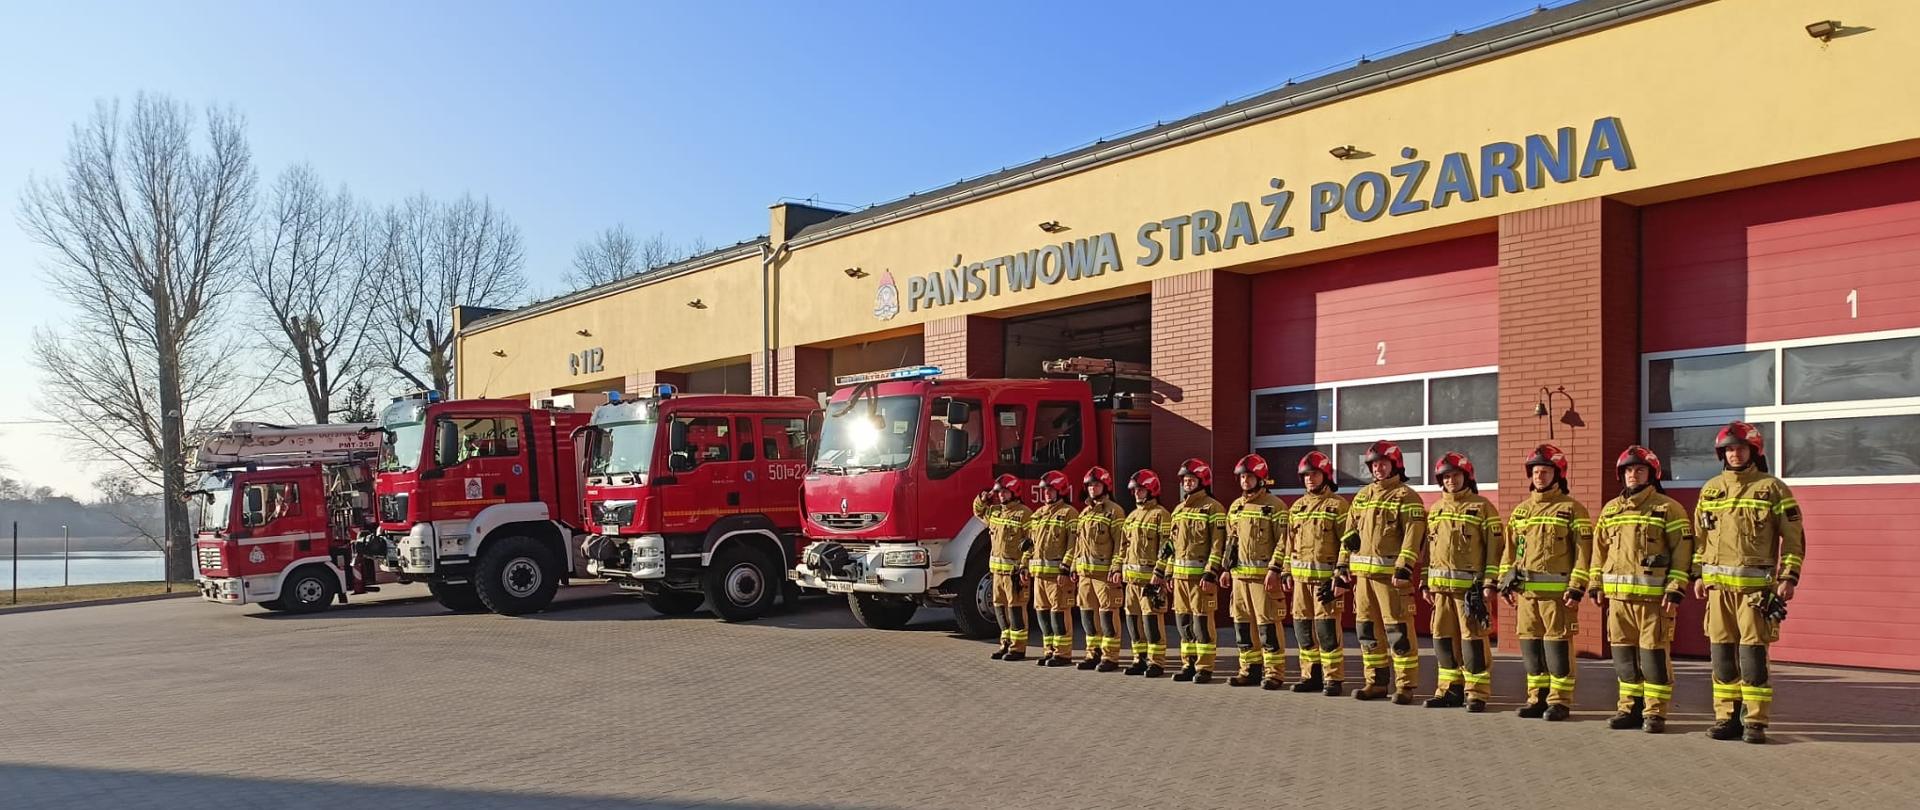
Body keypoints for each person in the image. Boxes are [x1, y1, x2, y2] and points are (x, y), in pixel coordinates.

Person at [1693, 421, 1803, 744]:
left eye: (1740, 449)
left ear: (1754, 451)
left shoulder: (1772, 489)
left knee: (1752, 656)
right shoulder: (1710, 490)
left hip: (1755, 593)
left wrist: (1789, 577)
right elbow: (1700, 540)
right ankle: (1726, 717)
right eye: (1729, 449)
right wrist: (1698, 574)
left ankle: (1754, 721)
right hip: (1717, 593)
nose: (1735, 454)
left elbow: (1793, 538)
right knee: (1722, 655)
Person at [1590, 445, 1693, 734]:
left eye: (1639, 470)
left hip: (1653, 601)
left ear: (1652, 473)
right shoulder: (1611, 510)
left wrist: (1675, 589)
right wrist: (1596, 583)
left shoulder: (1668, 508)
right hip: (1618, 601)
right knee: (1623, 657)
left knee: (1654, 657)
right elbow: (1599, 553)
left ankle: (1655, 713)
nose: (1633, 475)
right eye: (1628, 470)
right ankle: (1629, 708)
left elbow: (1682, 553)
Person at [1499, 444, 1593, 721]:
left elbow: (1583, 554)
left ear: (1558, 474)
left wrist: (1577, 587)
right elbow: (1510, 551)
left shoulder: (1573, 510)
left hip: (1558, 597)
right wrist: (1506, 582)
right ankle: (1536, 698)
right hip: (1527, 596)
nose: (1539, 476)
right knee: (1531, 649)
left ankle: (1559, 701)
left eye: (1545, 471)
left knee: (1557, 649)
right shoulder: (1521, 512)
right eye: (1536, 471)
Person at [1341, 441, 1427, 704]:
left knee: (1398, 632)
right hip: (1363, 579)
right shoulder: (1362, 496)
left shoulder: (1406, 496)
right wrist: (1342, 565)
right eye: (1374, 464)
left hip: (1391, 579)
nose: (1378, 468)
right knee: (1367, 631)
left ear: (1395, 465)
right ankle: (1375, 682)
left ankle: (1405, 685)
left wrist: (1404, 568)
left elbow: (1413, 537)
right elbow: (1349, 533)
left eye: (1383, 463)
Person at [1420, 452, 1503, 712]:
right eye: (1446, 476)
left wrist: (1490, 582)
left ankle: (1476, 693)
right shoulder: (1435, 509)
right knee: (1442, 639)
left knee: (1473, 641)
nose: (1451, 480)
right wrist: (1424, 582)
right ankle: (1449, 690)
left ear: (1466, 477)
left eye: (1456, 475)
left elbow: (1495, 549)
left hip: (1470, 591)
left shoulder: (1483, 507)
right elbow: (1428, 550)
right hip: (1440, 590)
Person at [1266, 451, 1349, 695]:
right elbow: (1287, 543)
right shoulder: (1298, 507)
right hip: (1301, 583)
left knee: (1327, 631)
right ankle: (1310, 675)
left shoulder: (1338, 505)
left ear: (1325, 475)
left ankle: (1333, 679)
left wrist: (1340, 575)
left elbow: (1348, 542)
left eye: (1314, 474)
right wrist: (1283, 571)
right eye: (1305, 475)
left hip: (1326, 582)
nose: (1310, 479)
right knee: (1303, 630)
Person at [1224, 454, 1289, 688]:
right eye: (1242, 477)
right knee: (1242, 625)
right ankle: (1249, 670)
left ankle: (1273, 673)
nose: (1244, 481)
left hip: (1264, 579)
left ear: (1261, 479)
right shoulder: (1236, 506)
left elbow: (1284, 542)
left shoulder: (1275, 506)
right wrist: (1225, 569)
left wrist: (1275, 570)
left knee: (1267, 626)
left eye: (1249, 477)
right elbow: (1231, 541)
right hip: (1239, 578)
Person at [1163, 458, 1227, 683]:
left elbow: (1218, 544)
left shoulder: (1213, 508)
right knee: (1184, 623)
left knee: (1201, 623)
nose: (1187, 484)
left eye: (1191, 479)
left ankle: (1204, 667)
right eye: (1185, 480)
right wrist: (1169, 572)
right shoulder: (1178, 510)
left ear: (1203, 481)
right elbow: (1172, 545)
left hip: (1201, 579)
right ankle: (1187, 663)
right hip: (1180, 578)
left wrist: (1211, 573)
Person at [1067, 466, 1128, 671]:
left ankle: (1110, 657)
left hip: (1105, 576)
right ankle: (1092, 653)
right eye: (1090, 485)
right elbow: (1078, 543)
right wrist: (1075, 566)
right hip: (1084, 575)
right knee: (1087, 616)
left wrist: (1117, 567)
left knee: (1107, 616)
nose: (1093, 489)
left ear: (1106, 486)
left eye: (1097, 485)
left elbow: (1121, 543)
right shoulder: (1084, 513)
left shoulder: (1114, 511)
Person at [1115, 470, 1172, 677]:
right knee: (1133, 621)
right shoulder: (1131, 517)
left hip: (1151, 581)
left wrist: (1160, 572)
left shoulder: (1161, 515)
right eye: (1136, 490)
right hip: (1131, 582)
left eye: (1141, 489)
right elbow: (1123, 547)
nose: (1138, 493)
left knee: (1151, 621)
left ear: (1152, 489)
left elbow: (1167, 546)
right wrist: (1118, 568)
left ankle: (1156, 662)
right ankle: (1138, 658)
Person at [974, 474, 1033, 661]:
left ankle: (1018, 648)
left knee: (1016, 610)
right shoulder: (995, 512)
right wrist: (983, 498)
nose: (1001, 496)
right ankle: (1005, 643)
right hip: (997, 574)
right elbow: (978, 511)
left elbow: (1031, 544)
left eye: (1004, 492)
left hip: (1014, 574)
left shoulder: (1024, 514)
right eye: (999, 493)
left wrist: (1024, 566)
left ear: (1014, 493)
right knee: (999, 609)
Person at [1028, 470, 1079, 667]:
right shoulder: (1038, 514)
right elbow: (1030, 544)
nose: (1047, 494)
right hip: (1039, 575)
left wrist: (1065, 568)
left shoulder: (1069, 513)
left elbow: (1073, 544)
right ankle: (1049, 650)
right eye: (1045, 490)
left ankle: (1063, 653)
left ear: (1061, 490)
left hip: (1058, 576)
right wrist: (1026, 566)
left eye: (1051, 490)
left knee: (1059, 613)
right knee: (1042, 613)